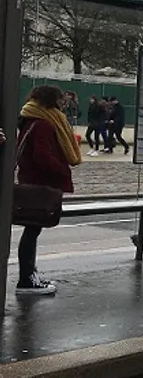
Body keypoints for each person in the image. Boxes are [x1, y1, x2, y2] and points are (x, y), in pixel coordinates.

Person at [14, 85, 82, 295]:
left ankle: (29, 276)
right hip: (40, 183)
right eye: (61, 99)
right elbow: (42, 156)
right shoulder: (44, 123)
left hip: (31, 179)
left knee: (32, 229)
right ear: (52, 100)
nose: (63, 103)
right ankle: (26, 279)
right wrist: (62, 168)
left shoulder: (31, 118)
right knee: (32, 229)